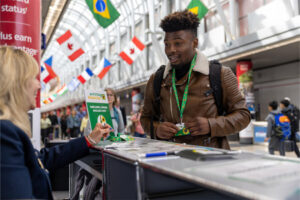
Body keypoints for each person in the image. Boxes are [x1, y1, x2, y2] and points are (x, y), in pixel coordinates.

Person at [0, 46, 111, 199]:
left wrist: (89, 139)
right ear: (16, 83)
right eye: (33, 77)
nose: (39, 85)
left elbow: (42, 159)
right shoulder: (4, 134)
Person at [141, 10, 251, 149]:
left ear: (195, 43)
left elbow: (243, 115)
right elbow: (145, 119)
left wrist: (211, 125)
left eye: (178, 43)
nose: (170, 50)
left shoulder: (220, 74)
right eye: (167, 44)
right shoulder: (157, 79)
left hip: (211, 161)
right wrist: (156, 129)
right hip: (169, 160)